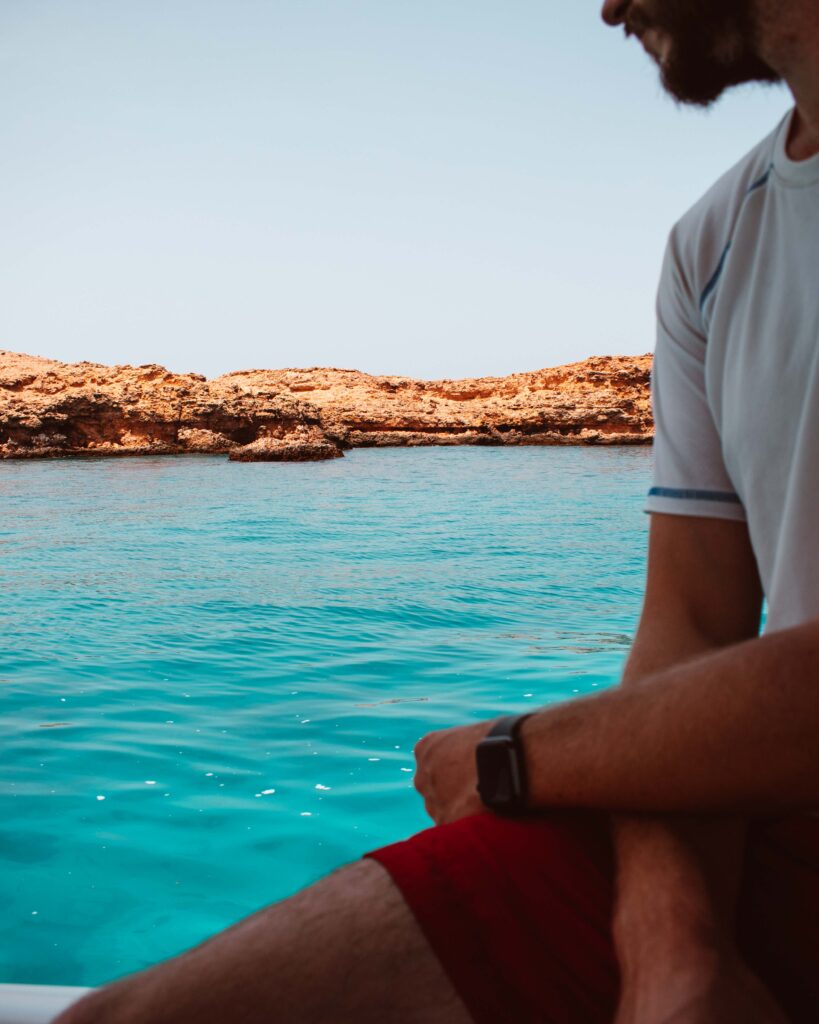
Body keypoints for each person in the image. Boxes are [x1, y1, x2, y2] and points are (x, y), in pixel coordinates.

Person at [56, 2, 819, 1022]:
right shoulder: (713, 242)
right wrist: (673, 950)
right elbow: (689, 633)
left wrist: (518, 756)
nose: (604, 8)